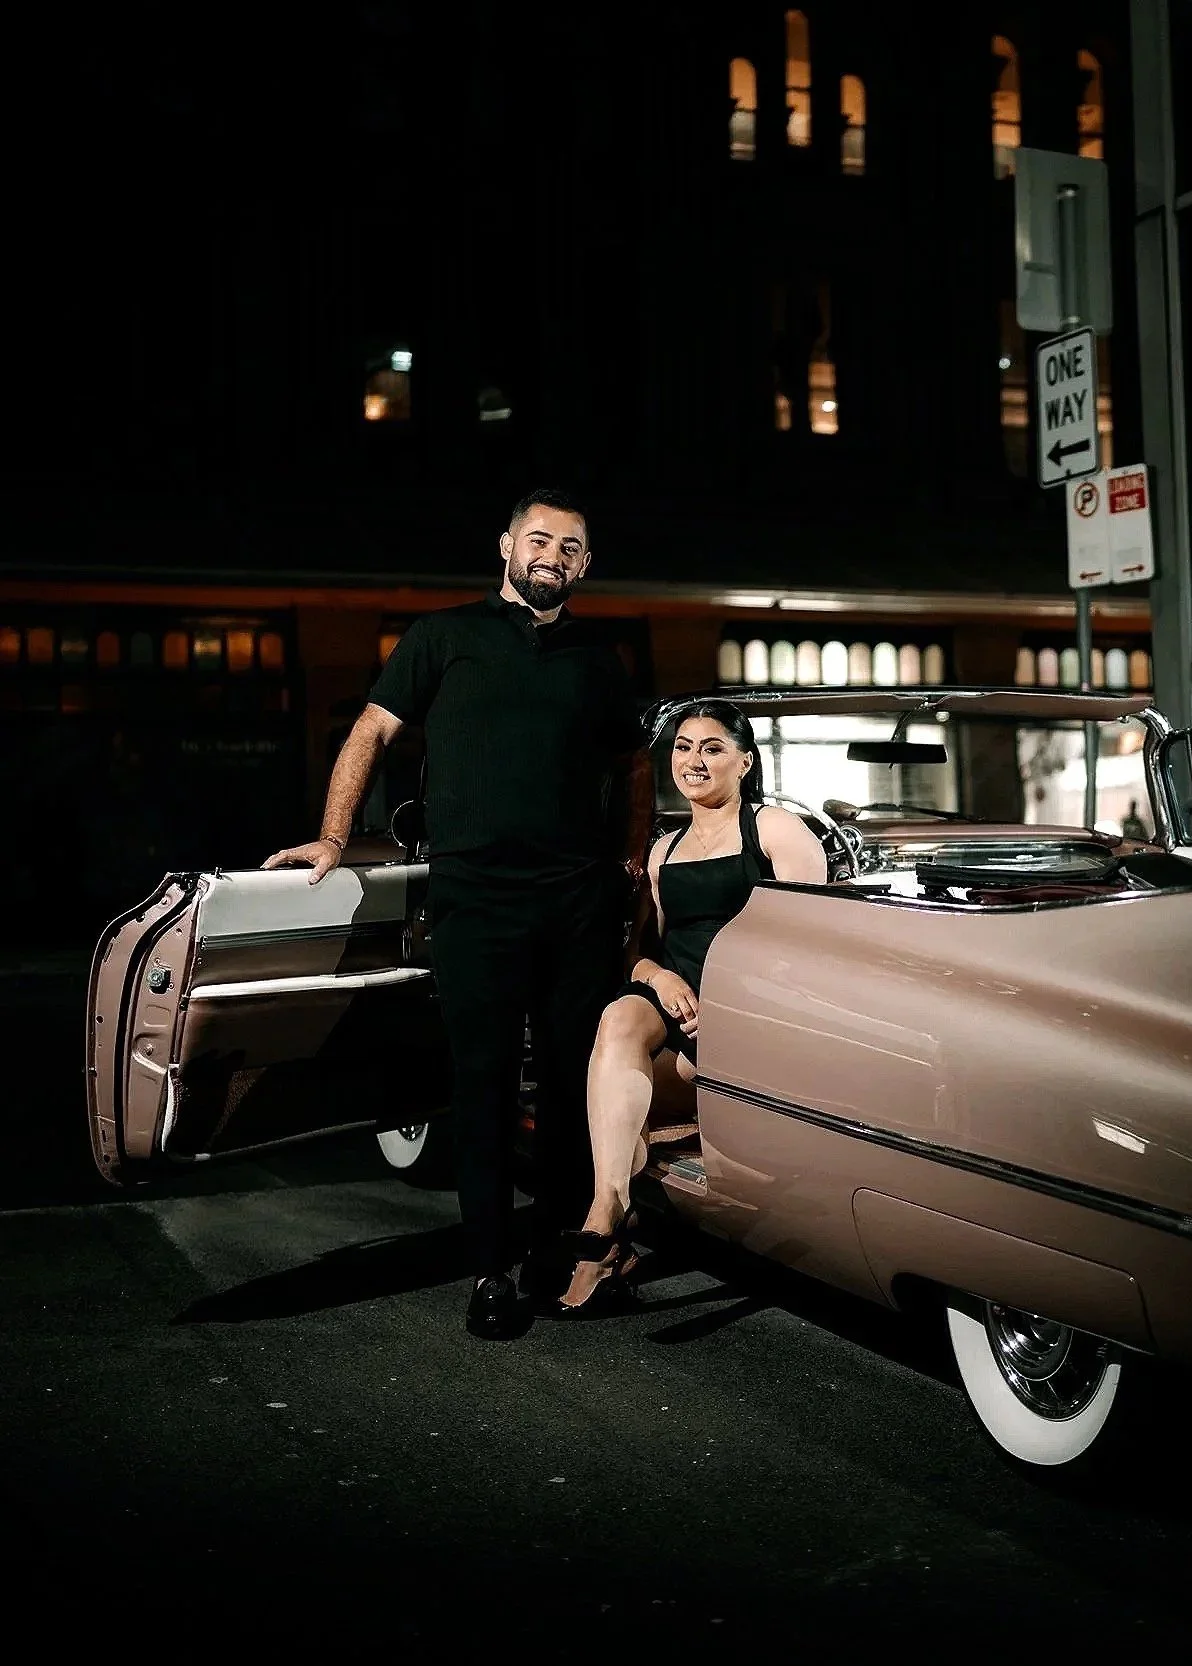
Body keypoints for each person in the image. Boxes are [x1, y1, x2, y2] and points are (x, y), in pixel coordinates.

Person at [263, 488, 648, 1340]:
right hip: (474, 896)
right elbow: (368, 732)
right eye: (539, 538)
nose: (553, 554)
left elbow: (633, 761)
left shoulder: (598, 655)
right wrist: (333, 837)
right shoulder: (443, 636)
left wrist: (629, 852)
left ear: (586, 566)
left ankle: (554, 1251)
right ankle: (489, 1270)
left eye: (572, 546)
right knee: (477, 1084)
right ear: (506, 545)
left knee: (565, 1080)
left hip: (578, 898)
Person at [557, 701, 825, 1313]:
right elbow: (634, 953)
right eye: (682, 747)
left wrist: (731, 1001)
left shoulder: (775, 831)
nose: (694, 760)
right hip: (681, 1024)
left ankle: (605, 1239)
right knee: (618, 1017)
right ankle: (608, 1210)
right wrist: (661, 977)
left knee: (609, 1104)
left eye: (712, 748)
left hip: (754, 1032)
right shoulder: (663, 849)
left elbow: (815, 953)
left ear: (745, 761)